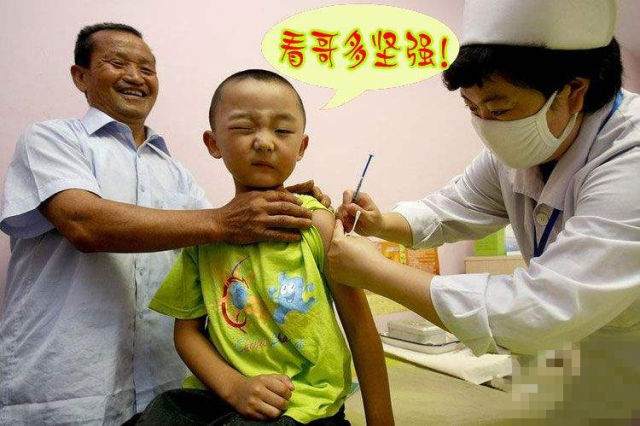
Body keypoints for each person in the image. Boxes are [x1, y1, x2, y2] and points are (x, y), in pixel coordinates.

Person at [0, 24, 330, 425]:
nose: (135, 77)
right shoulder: (50, 139)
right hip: (68, 387)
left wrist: (276, 197)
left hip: (160, 388)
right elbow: (83, 223)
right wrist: (226, 219)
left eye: (147, 68)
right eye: (117, 63)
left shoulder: (174, 171)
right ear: (80, 76)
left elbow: (226, 237)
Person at [327, 0, 640, 420]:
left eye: (499, 109)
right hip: (581, 368)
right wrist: (382, 224)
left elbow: (541, 308)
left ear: (573, 92)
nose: (487, 124)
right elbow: (454, 205)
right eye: (472, 108)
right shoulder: (524, 147)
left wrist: (375, 272)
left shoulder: (631, 159)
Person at [130, 69, 393, 425]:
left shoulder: (318, 226)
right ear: (213, 143)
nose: (265, 142)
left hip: (303, 407)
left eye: (282, 131)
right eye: (243, 127)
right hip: (221, 395)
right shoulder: (205, 234)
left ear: (301, 147)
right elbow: (187, 333)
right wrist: (234, 387)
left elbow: (360, 329)